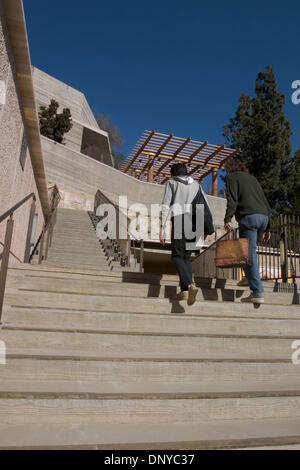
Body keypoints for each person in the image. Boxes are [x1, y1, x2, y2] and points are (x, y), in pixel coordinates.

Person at [159, 162, 213, 305]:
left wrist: (162, 227)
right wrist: (205, 227)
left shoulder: (172, 182)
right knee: (186, 257)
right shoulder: (196, 185)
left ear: (173, 174)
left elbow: (165, 204)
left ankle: (189, 284)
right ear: (186, 172)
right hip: (196, 221)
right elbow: (205, 205)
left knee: (177, 256)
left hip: (180, 218)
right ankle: (185, 291)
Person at [224, 158, 271, 304]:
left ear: (230, 168)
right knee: (249, 251)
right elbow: (265, 201)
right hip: (263, 218)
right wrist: (268, 226)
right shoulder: (253, 179)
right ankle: (248, 277)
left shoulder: (232, 177)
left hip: (249, 219)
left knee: (249, 255)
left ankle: (257, 292)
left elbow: (232, 199)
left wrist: (227, 218)